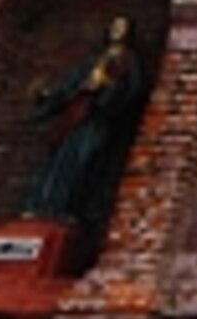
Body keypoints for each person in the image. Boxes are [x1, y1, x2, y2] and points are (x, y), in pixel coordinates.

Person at [22, 14, 145, 225]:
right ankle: (43, 206)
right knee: (58, 162)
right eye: (113, 26)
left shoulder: (127, 62)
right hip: (75, 116)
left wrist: (107, 93)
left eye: (121, 27)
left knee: (83, 161)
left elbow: (132, 91)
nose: (116, 31)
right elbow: (69, 87)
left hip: (96, 119)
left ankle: (67, 208)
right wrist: (48, 96)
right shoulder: (93, 62)